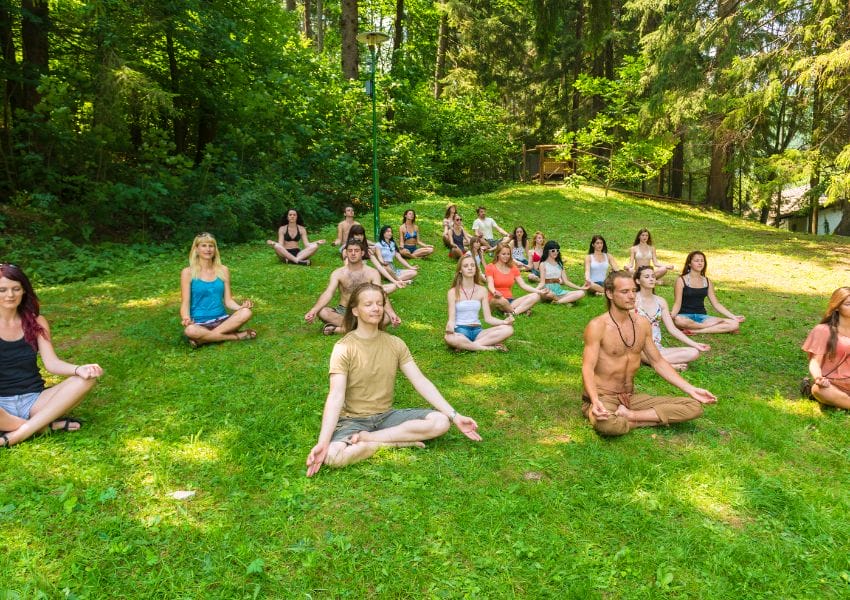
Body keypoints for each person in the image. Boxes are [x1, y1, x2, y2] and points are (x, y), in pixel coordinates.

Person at [306, 282, 482, 476]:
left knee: (441, 421)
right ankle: (391, 442)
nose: (376, 308)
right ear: (355, 310)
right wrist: (323, 442)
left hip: (386, 417)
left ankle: (369, 439)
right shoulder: (343, 347)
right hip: (353, 421)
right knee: (333, 456)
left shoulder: (395, 343)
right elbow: (335, 396)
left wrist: (455, 416)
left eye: (379, 303)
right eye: (368, 304)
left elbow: (421, 382)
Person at [581, 270, 717, 436]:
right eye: (624, 292)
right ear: (609, 293)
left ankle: (631, 416)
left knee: (693, 406)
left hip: (630, 398)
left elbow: (657, 361)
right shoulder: (597, 326)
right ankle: (639, 418)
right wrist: (595, 401)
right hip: (604, 397)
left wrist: (691, 389)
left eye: (633, 290)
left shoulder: (642, 324)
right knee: (608, 425)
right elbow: (587, 368)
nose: (631, 296)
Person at [0, 264, 104, 448]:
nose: (10, 295)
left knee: (86, 379)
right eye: (2, 290)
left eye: (16, 289)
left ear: (24, 290)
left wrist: (79, 369)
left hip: (34, 400)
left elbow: (52, 363)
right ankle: (44, 426)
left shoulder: (35, 321)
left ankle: (18, 434)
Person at [305, 239, 402, 335]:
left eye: (356, 251)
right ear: (346, 253)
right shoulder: (338, 273)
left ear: (362, 253)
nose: (353, 253)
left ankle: (341, 329)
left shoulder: (372, 272)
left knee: (387, 317)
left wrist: (392, 313)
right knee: (322, 312)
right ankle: (365, 328)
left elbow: (380, 294)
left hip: (366, 310)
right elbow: (328, 293)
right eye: (350, 251)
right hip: (344, 312)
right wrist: (314, 310)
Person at [180, 233, 256, 348]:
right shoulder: (187, 272)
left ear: (215, 249)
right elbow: (185, 302)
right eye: (204, 245)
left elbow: (228, 300)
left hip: (223, 320)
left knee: (246, 312)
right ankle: (235, 336)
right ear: (196, 249)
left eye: (211, 246)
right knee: (190, 330)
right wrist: (186, 318)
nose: (208, 249)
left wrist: (241, 307)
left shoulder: (223, 270)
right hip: (200, 323)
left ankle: (203, 340)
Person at [634, 266, 710, 371]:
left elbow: (672, 329)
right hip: (638, 347)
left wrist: (695, 344)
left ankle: (654, 361)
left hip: (656, 348)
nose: (651, 279)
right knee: (641, 353)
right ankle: (665, 365)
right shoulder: (633, 300)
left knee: (693, 352)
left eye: (653, 276)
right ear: (638, 281)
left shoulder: (661, 301)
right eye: (647, 277)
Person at [445, 255, 515, 352]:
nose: (470, 268)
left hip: (478, 332)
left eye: (472, 265)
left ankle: (467, 346)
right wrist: (449, 326)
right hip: (461, 331)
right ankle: (490, 348)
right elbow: (451, 319)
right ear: (460, 270)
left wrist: (504, 322)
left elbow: (488, 318)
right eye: (466, 266)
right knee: (449, 338)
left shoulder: (482, 290)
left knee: (508, 329)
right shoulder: (452, 292)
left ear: (476, 269)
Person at [671, 251, 744, 334]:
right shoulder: (681, 280)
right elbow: (677, 303)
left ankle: (694, 330)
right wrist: (672, 315)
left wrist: (734, 317)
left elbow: (716, 304)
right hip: (684, 316)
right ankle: (709, 327)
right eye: (696, 261)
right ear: (689, 264)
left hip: (703, 317)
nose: (700, 263)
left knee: (734, 324)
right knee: (678, 320)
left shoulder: (707, 281)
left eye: (702, 261)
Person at [802, 287, 850, 410]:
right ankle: (842, 400)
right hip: (832, 383)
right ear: (837, 307)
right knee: (819, 390)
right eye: (848, 304)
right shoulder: (823, 330)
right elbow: (814, 362)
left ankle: (841, 402)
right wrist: (818, 378)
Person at [485, 242, 544, 317]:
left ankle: (513, 313)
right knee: (502, 300)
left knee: (536, 296)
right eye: (503, 254)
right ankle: (522, 310)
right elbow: (490, 284)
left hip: (510, 300)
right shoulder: (490, 267)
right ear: (497, 254)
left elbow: (523, 285)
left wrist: (539, 291)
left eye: (508, 254)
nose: (506, 256)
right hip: (495, 298)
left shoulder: (513, 268)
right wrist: (494, 292)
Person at [536, 240, 586, 304]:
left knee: (581, 293)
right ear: (547, 251)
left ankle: (558, 302)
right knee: (550, 294)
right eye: (553, 250)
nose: (556, 252)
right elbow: (542, 283)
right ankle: (566, 301)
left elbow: (566, 282)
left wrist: (580, 287)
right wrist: (535, 290)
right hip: (547, 291)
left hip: (559, 291)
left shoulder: (559, 264)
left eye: (557, 250)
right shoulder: (543, 264)